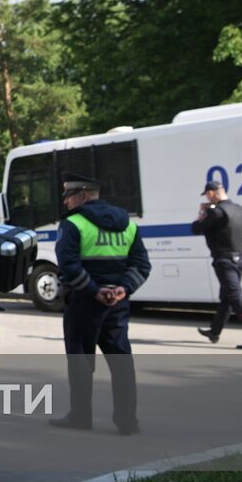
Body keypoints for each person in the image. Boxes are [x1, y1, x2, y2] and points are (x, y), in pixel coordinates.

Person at [49, 172, 151, 436]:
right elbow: (142, 265)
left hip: (84, 303)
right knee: (121, 362)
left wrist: (95, 291)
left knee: (81, 361)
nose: (66, 202)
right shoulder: (128, 224)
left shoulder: (73, 224)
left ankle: (81, 417)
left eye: (69, 196)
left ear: (83, 195)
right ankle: (128, 422)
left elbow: (68, 265)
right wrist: (122, 289)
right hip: (117, 305)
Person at [192, 180, 242, 350]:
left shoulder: (216, 212)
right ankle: (214, 331)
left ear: (211, 193)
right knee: (227, 297)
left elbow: (195, 228)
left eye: (208, 195)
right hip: (240, 260)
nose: (208, 199)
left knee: (235, 297)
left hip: (224, 261)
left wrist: (202, 212)